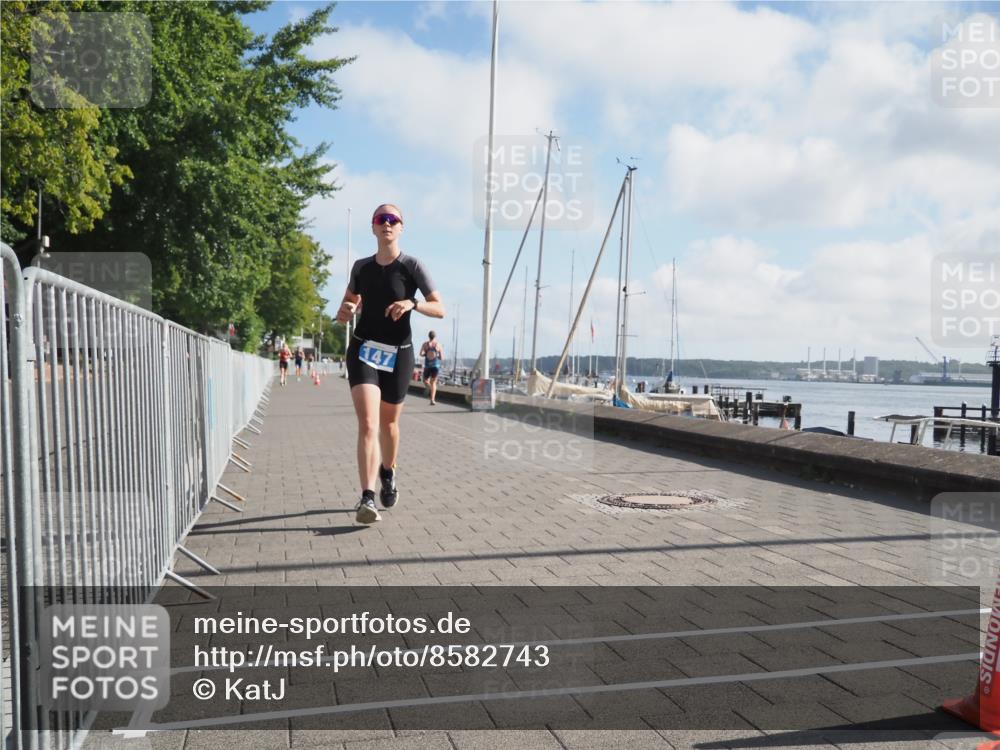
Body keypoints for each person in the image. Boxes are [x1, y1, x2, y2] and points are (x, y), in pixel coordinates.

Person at [335, 204, 444, 524]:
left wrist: (413, 303)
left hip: (399, 353)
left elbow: (440, 308)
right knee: (369, 424)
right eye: (381, 219)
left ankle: (388, 470)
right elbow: (347, 305)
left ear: (401, 227)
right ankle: (367, 497)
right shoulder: (361, 267)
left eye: (393, 219)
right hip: (364, 349)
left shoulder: (412, 266)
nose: (387, 223)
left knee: (389, 425)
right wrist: (345, 311)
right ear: (373, 227)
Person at [419, 331, 444, 405]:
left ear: (428, 336)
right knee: (433, 383)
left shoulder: (425, 344)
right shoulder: (438, 345)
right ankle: (432, 399)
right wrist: (437, 356)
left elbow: (421, 354)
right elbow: (442, 357)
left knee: (425, 381)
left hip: (427, 366)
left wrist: (426, 354)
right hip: (435, 366)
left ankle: (430, 389)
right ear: (435, 336)